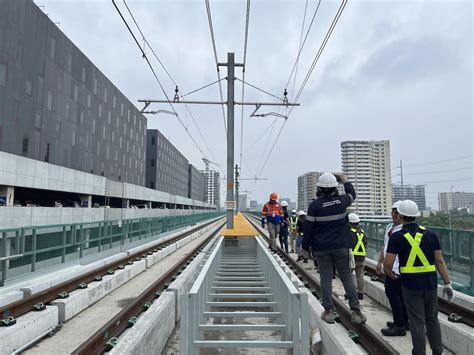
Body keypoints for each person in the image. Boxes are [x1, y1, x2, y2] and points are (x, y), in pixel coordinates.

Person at [384, 200, 454, 355]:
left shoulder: (397, 237)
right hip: (430, 283)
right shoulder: (431, 235)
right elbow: (440, 261)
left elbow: (388, 263)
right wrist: (447, 283)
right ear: (416, 215)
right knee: (432, 318)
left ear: (400, 215)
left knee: (417, 321)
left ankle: (419, 352)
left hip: (410, 285)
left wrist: (390, 273)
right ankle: (437, 350)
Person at [304, 172, 367, 324]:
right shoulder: (342, 202)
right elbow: (352, 194)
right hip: (341, 247)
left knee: (326, 278)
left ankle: (328, 311)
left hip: (321, 248)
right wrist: (344, 180)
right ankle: (356, 312)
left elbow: (308, 228)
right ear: (334, 188)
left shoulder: (314, 206)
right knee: (346, 276)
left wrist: (305, 247)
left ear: (319, 188)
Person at [377, 201, 409, 336]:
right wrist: (380, 262)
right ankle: (402, 321)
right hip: (390, 268)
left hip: (398, 269)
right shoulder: (390, 228)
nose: (394, 215)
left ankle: (400, 325)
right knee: (398, 296)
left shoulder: (404, 230)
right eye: (393, 212)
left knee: (396, 296)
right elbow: (385, 247)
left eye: (397, 212)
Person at [348, 213, 367, 300]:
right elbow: (366, 243)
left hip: (352, 257)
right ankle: (360, 293)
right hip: (362, 257)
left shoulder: (349, 232)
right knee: (360, 276)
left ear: (350, 223)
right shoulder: (363, 232)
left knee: (349, 275)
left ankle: (350, 293)